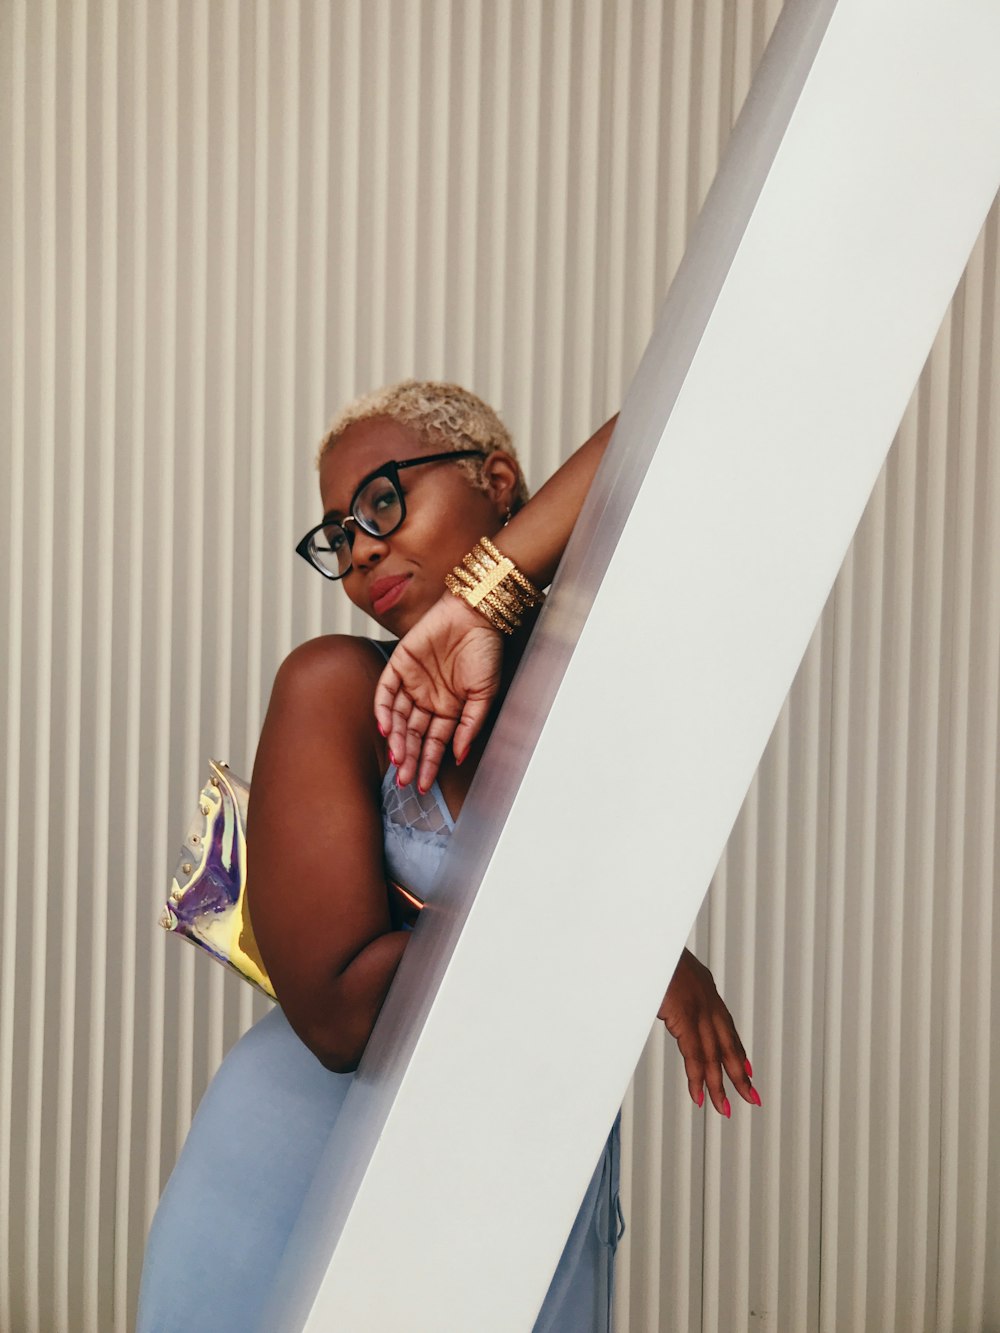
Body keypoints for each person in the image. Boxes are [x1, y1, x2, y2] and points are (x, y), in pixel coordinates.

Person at [137, 381, 759, 1332]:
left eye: (383, 500)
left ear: (498, 481)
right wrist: (627, 944)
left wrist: (488, 591)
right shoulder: (336, 689)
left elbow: (700, 406)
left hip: (523, 1176)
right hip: (295, 1191)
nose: (360, 550)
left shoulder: (585, 696)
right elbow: (344, 1016)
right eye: (339, 534)